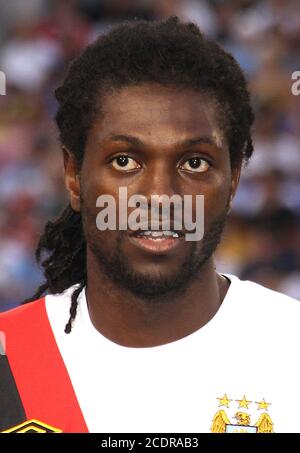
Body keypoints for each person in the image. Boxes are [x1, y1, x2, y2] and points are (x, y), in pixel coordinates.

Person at [0, 16, 299, 434]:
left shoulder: (292, 350)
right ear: (73, 176)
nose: (159, 196)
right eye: (125, 161)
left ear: (232, 183)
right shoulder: (8, 359)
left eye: (194, 162)